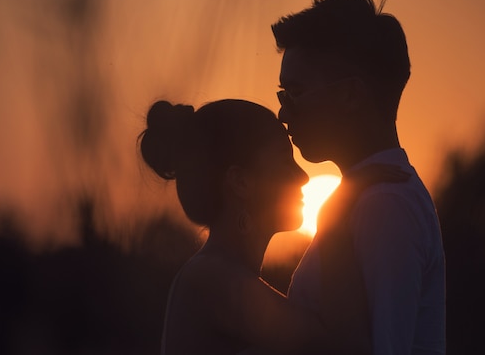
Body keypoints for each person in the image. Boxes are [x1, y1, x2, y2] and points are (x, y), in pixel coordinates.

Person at [272, 0, 446, 355]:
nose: (283, 113)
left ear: (351, 95)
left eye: (295, 92)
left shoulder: (385, 204)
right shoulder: (367, 198)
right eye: (281, 94)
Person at [139, 99, 374, 355]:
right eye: (286, 161)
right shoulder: (211, 280)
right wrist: (334, 224)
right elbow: (343, 348)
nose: (303, 176)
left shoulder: (219, 275)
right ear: (240, 182)